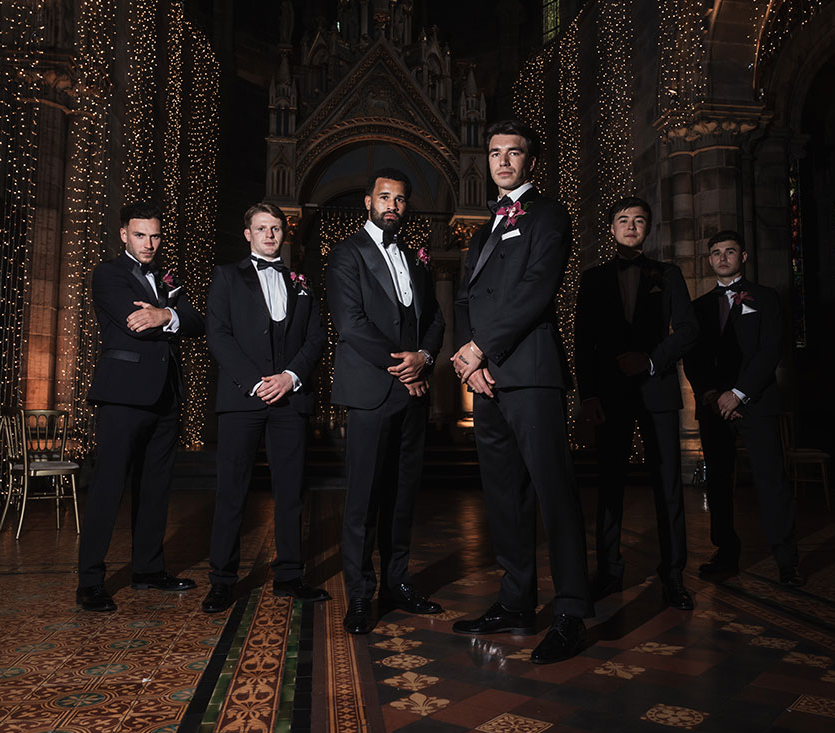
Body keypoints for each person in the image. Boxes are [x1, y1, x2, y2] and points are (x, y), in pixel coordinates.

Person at [451, 119, 593, 665]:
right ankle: (515, 602)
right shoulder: (485, 227)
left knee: (553, 492)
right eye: (494, 153)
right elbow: (465, 297)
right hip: (486, 380)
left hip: (531, 373)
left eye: (513, 153)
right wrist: (469, 361)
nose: (503, 162)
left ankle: (571, 612)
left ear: (531, 162)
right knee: (504, 497)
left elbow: (536, 291)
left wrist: (480, 349)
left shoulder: (549, 214)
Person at [326, 167, 446, 634]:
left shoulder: (416, 262)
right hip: (373, 393)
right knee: (363, 500)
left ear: (405, 205)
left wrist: (426, 356)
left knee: (402, 498)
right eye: (384, 197)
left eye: (399, 199)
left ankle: (398, 584)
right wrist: (405, 367)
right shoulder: (345, 254)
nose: (391, 205)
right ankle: (359, 595)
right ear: (369, 202)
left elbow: (434, 319)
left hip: (413, 396)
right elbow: (351, 324)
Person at [202, 202, 330, 614]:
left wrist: (290, 377)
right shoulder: (226, 276)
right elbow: (218, 335)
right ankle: (222, 580)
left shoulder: (302, 281)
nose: (270, 235)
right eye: (262, 228)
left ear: (283, 233)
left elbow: (316, 337)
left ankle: (290, 576)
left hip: (290, 400)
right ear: (248, 234)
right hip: (243, 399)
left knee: (290, 492)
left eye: (276, 228)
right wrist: (257, 383)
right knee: (232, 492)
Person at [77, 202, 205, 612]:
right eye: (140, 235)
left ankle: (148, 569)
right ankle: (90, 582)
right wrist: (171, 317)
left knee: (155, 488)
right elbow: (134, 321)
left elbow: (196, 321)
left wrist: (165, 313)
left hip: (166, 395)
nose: (148, 243)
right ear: (123, 235)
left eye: (154, 235)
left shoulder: (168, 277)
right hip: (122, 396)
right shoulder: (108, 274)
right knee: (108, 489)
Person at [575, 198, 699, 610]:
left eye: (639, 221)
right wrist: (588, 394)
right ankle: (609, 571)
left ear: (648, 229)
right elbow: (583, 343)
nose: (631, 226)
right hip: (609, 396)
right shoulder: (592, 279)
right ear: (611, 228)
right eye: (623, 220)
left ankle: (673, 574)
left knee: (668, 488)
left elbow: (687, 331)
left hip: (658, 391)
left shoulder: (669, 274)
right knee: (610, 484)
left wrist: (649, 359)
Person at [682, 230, 804, 587]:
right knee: (719, 483)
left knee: (772, 482)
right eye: (716, 253)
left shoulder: (766, 298)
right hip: (713, 407)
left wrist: (738, 393)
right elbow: (693, 357)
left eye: (729, 252)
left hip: (757, 403)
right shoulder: (699, 306)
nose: (722, 258)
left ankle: (787, 561)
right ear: (709, 260)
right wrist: (710, 395)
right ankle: (725, 553)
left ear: (744, 257)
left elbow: (770, 351)